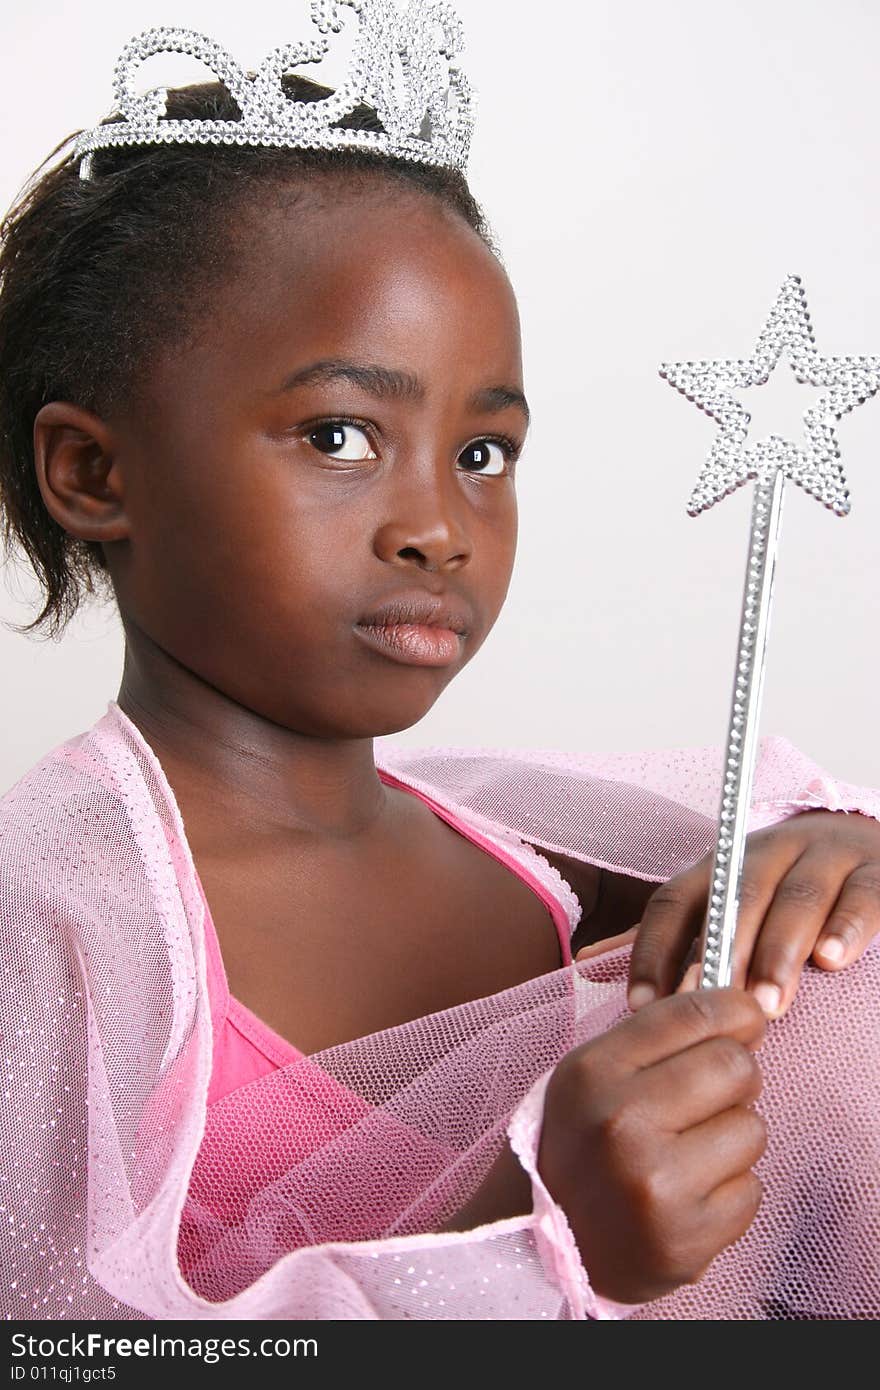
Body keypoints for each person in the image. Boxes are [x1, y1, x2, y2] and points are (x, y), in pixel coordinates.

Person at [1, 9, 879, 1321]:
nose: (437, 527)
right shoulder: (48, 915)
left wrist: (827, 874)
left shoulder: (564, 861)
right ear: (95, 471)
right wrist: (533, 1243)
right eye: (343, 433)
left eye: (482, 453)